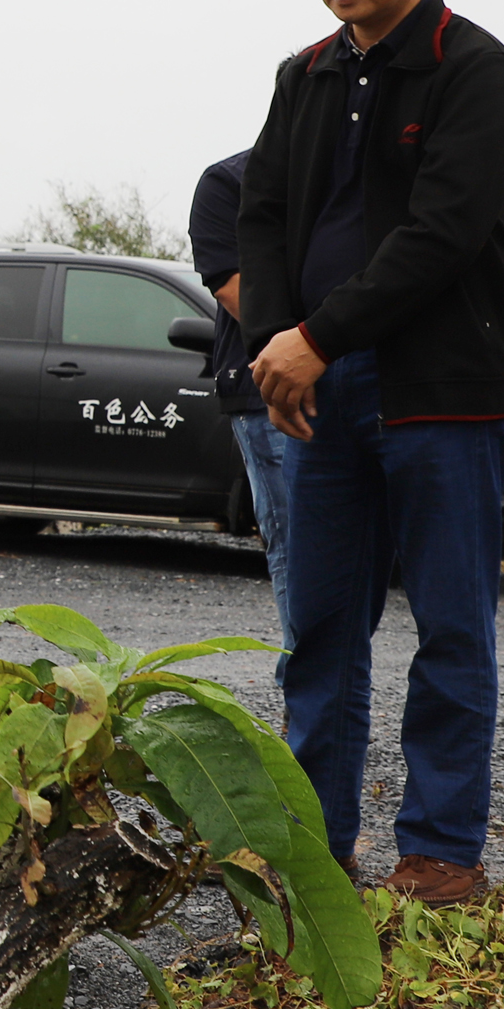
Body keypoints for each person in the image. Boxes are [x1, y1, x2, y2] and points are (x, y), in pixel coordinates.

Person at [239, 0, 504, 908]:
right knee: (320, 629)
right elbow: (263, 214)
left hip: (439, 388)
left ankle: (441, 850)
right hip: (318, 386)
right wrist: (277, 340)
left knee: (451, 625)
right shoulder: (306, 74)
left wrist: (316, 335)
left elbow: (442, 233)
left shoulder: (475, 68)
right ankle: (313, 846)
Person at [187, 148, 295, 679]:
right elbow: (235, 292)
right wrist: (320, 343)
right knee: (297, 543)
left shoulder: (353, 171)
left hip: (357, 380)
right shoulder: (228, 182)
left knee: (352, 552)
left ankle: (330, 694)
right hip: (267, 387)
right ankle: (307, 696)